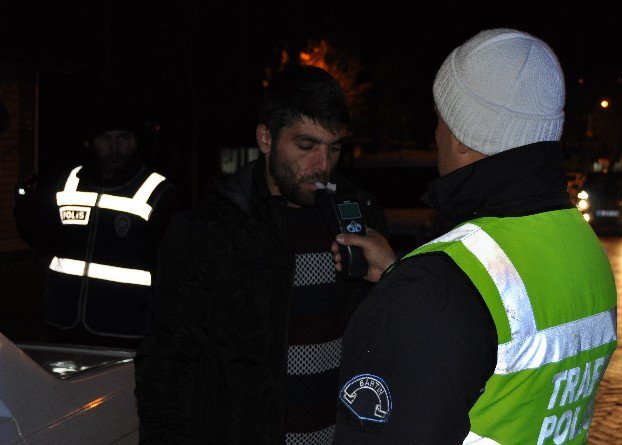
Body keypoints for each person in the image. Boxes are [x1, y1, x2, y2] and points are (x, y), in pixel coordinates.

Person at [333, 29, 618, 444]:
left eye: (441, 119)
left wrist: (412, 288)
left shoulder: (430, 291)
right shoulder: (585, 248)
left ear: (464, 137)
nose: (436, 135)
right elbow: (502, 356)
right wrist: (403, 272)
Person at [134, 65, 387, 444]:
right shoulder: (208, 231)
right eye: (306, 146)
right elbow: (167, 369)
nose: (322, 166)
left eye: (333, 148)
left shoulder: (360, 221)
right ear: (266, 138)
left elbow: (386, 349)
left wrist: (393, 277)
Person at [14, 110, 179, 348]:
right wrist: (24, 207)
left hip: (127, 330)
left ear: (135, 142)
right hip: (63, 325)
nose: (114, 149)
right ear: (92, 142)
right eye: (105, 138)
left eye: (122, 138)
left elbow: (173, 262)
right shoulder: (68, 183)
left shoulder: (158, 191)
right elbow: (42, 238)